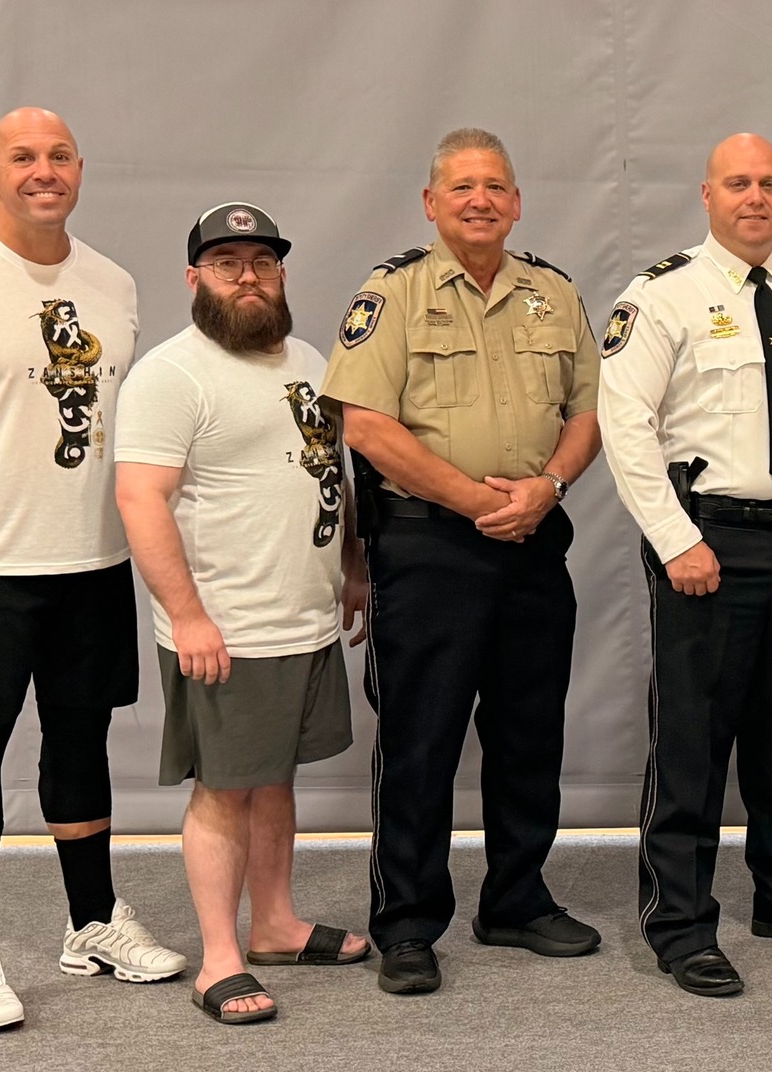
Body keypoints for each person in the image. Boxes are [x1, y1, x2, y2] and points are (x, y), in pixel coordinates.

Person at [0, 106, 185, 1033]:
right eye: (23, 156)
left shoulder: (115, 283)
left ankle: (91, 921)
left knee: (81, 738)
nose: (42, 170)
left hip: (94, 559)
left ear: (80, 169)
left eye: (58, 155)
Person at [318, 128, 603, 996]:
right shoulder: (393, 293)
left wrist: (548, 486)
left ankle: (516, 900)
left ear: (516, 203)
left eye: (496, 186)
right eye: (462, 186)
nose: (480, 199)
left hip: (534, 541)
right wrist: (482, 501)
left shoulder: (554, 293)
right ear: (431, 204)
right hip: (432, 545)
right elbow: (364, 424)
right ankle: (406, 922)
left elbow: (591, 410)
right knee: (421, 739)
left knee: (529, 735)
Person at [598, 134, 772, 998]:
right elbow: (625, 424)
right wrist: (676, 540)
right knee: (694, 741)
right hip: (706, 539)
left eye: (770, 183)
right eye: (738, 184)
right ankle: (678, 922)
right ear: (706, 195)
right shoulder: (661, 295)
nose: (755, 198)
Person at [114, 202, 374, 1024]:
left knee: (274, 780)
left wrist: (354, 567)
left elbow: (328, 474)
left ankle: (276, 925)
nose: (248, 276)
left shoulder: (306, 358)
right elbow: (140, 499)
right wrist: (187, 616)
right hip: (226, 629)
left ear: (281, 273)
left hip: (303, 619)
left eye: (261, 260)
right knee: (225, 789)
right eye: (227, 263)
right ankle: (218, 961)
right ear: (195, 279)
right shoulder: (172, 373)